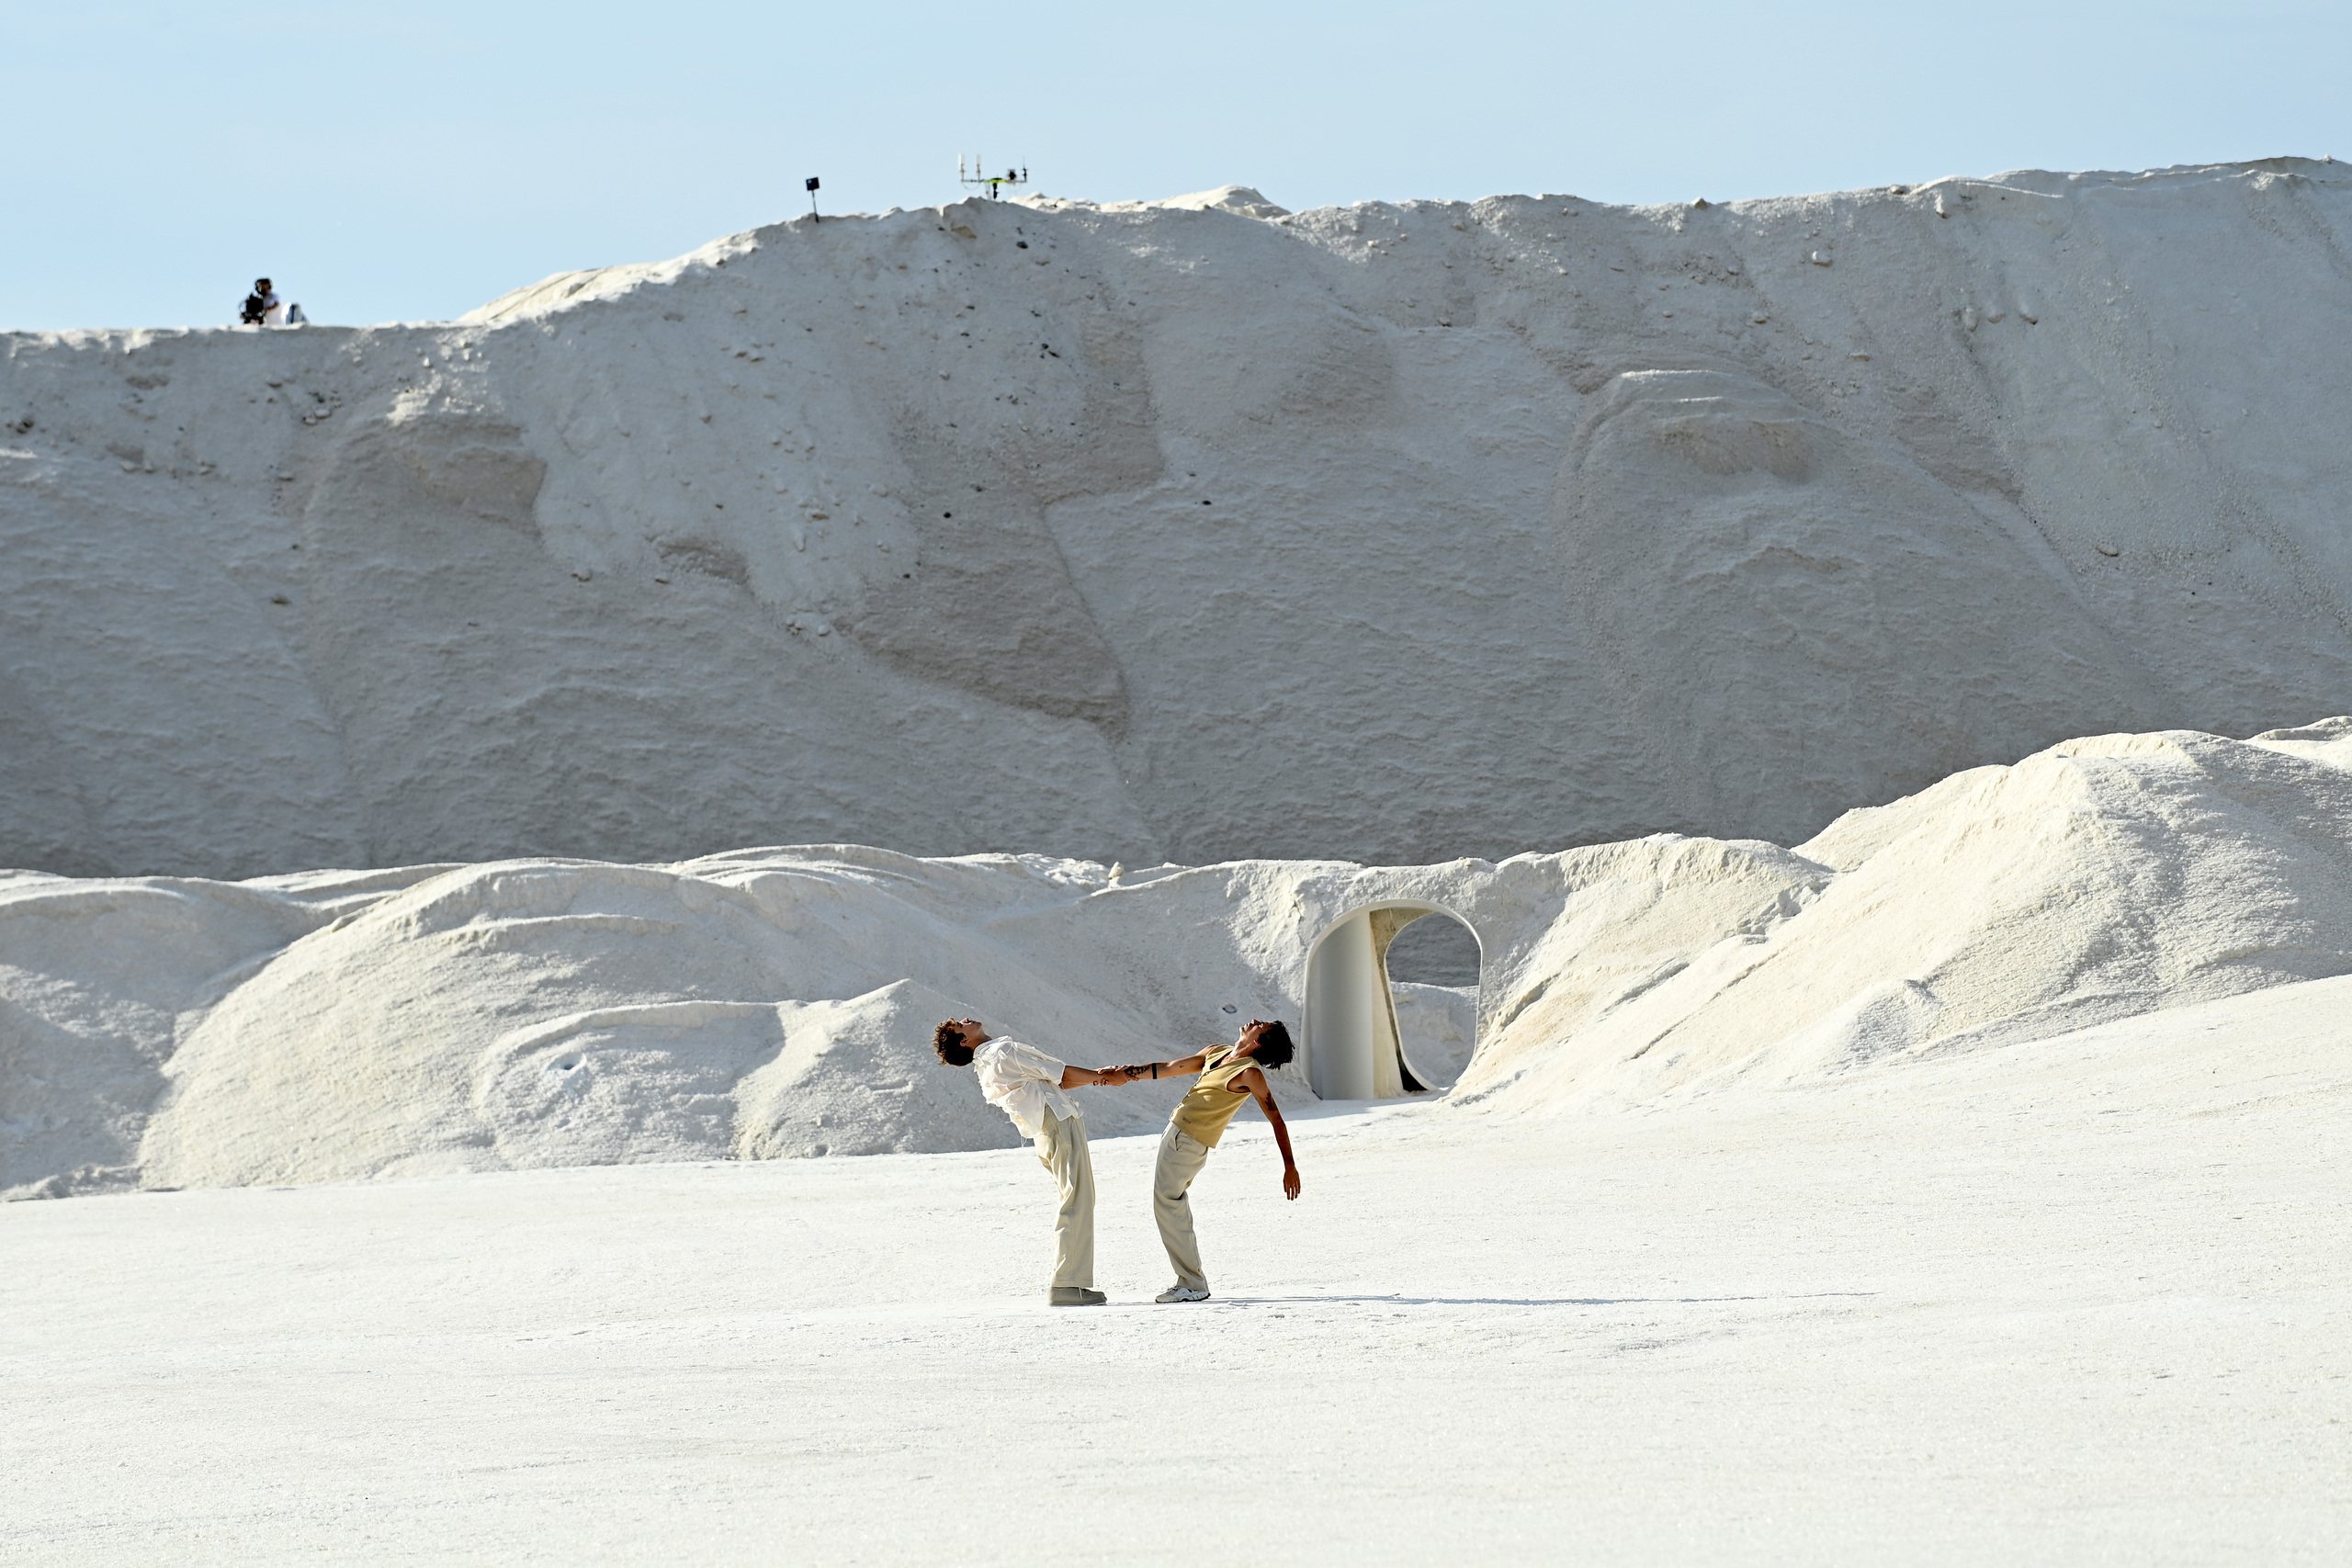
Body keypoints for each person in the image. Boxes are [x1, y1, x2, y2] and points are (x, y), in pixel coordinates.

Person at [934, 1017, 1133, 1307]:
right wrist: (1107, 1077)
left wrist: (1099, 1077)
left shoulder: (988, 1062)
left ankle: (1070, 1283)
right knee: (1077, 1199)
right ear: (964, 1041)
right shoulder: (1002, 1052)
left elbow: (1057, 1080)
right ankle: (1067, 1286)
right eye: (960, 1026)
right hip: (1057, 1124)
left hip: (1049, 1128)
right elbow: (1060, 1073)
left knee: (1076, 1197)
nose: (965, 1020)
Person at [1115, 1020, 1302, 1304]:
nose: (1254, 1021)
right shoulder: (1217, 1051)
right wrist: (1125, 1074)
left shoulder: (1250, 1073)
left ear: (1259, 1042)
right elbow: (1169, 1067)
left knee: (1168, 1203)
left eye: (1261, 1025)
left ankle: (1192, 1284)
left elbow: (1276, 1119)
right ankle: (1191, 1281)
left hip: (1189, 1141)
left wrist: (1290, 1166)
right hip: (1177, 1134)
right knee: (1170, 1204)